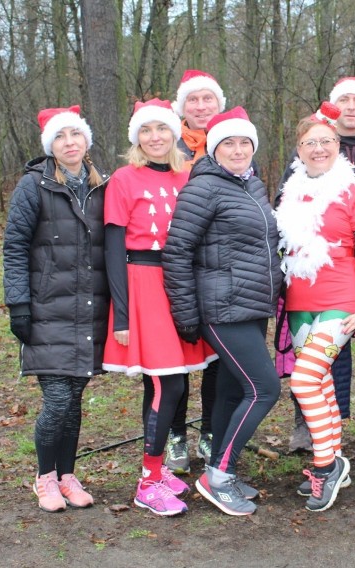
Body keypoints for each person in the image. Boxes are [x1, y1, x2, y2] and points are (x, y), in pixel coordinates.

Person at [162, 107, 282, 517]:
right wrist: (187, 315)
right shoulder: (205, 187)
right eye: (227, 143)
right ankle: (218, 476)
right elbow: (176, 251)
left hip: (251, 305)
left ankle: (221, 469)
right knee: (265, 389)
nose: (237, 149)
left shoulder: (253, 186)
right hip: (222, 306)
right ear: (214, 149)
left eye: (244, 142)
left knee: (233, 391)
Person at [102, 98, 216, 517]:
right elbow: (114, 249)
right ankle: (148, 481)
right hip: (143, 284)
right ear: (137, 137)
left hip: (179, 284)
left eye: (162, 129)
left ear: (175, 133)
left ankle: (159, 469)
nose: (155, 137)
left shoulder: (187, 176)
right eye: (146, 130)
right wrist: (124, 313)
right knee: (167, 385)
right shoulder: (123, 179)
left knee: (172, 383)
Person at [275, 103, 355, 511]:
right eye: (310, 142)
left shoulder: (352, 189)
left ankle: (325, 468)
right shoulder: (290, 189)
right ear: (298, 150)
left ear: (339, 146)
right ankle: (336, 456)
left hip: (341, 298)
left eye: (326, 141)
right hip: (300, 301)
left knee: (303, 383)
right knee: (319, 384)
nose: (319, 148)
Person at [3, 105, 109, 512]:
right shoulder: (34, 186)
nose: (70, 143)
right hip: (47, 308)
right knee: (58, 400)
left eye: (76, 135)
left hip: (89, 309)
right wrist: (19, 304)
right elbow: (14, 247)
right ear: (51, 145)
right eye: (61, 137)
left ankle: (67, 475)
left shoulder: (101, 186)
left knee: (75, 398)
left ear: (86, 141)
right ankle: (45, 477)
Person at [161, 69, 228, 475]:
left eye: (208, 99)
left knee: (219, 359)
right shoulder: (167, 146)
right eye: (193, 100)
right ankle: (172, 435)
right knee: (173, 361)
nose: (201, 106)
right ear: (181, 107)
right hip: (176, 266)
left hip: (221, 269)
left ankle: (210, 431)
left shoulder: (232, 145)